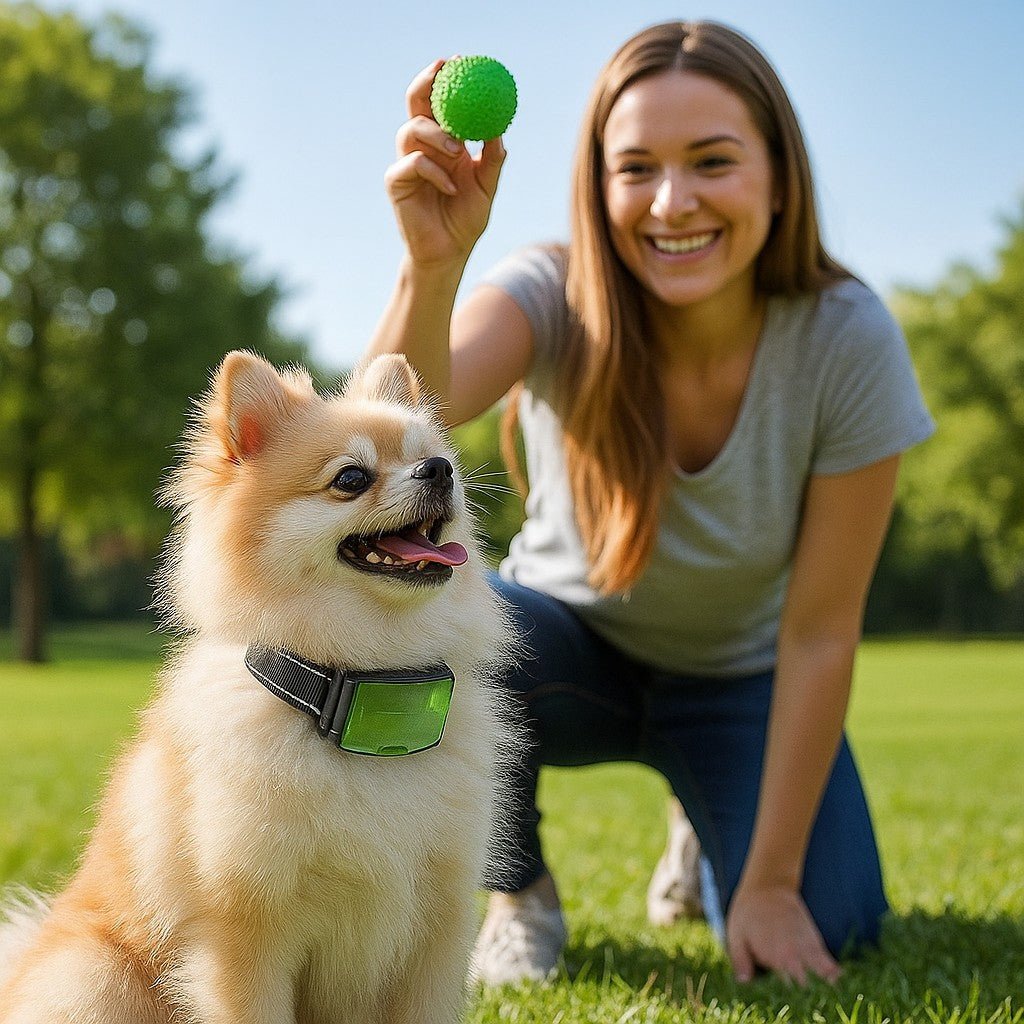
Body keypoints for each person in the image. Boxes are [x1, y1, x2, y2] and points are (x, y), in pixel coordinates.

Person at [367, 20, 934, 987]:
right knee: (431, 623)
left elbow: (820, 633)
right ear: (600, 187)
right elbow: (391, 435)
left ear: (779, 178)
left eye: (713, 161)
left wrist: (771, 884)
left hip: (738, 680)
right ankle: (519, 892)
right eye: (637, 169)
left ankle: (703, 826)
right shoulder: (550, 290)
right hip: (562, 653)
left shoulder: (848, 339)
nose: (673, 202)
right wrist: (431, 267)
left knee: (836, 923)